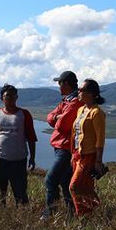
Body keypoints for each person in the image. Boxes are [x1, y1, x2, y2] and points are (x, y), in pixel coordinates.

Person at [0, 83, 37, 207]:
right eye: (7, 96)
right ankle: (0, 219)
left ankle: (24, 220)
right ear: (2, 98)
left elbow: (31, 137)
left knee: (20, 194)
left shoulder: (24, 114)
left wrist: (32, 158)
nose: (10, 98)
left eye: (12, 96)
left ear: (17, 97)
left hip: (18, 161)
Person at [41, 71, 83, 218]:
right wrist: (57, 117)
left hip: (66, 149)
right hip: (62, 148)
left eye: (59, 83)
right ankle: (71, 215)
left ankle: (49, 215)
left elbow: (62, 125)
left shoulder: (76, 102)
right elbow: (50, 117)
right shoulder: (66, 101)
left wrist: (57, 117)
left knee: (50, 180)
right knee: (66, 184)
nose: (58, 86)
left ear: (66, 84)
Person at [69, 79, 106, 216]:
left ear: (90, 93)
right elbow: (76, 133)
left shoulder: (97, 113)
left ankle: (82, 215)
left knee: (74, 186)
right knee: (85, 187)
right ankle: (93, 213)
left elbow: (100, 138)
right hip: (78, 155)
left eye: (81, 90)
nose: (78, 92)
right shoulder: (81, 110)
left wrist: (98, 161)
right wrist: (73, 153)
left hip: (89, 156)